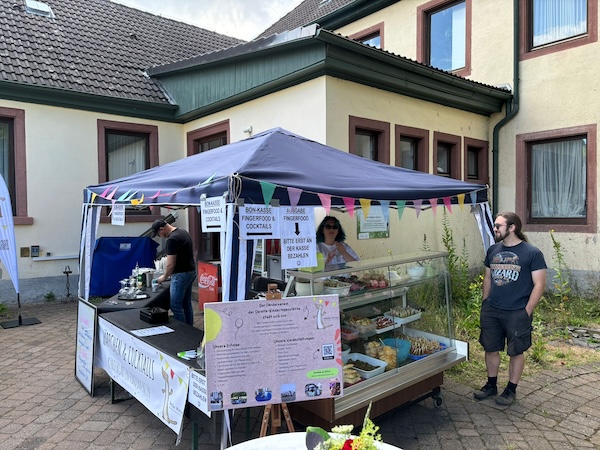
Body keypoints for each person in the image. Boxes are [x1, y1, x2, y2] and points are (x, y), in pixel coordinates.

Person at [474, 212, 546, 406]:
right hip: (492, 309)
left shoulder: (532, 253)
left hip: (517, 311)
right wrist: (485, 303)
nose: (495, 229)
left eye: (498, 226)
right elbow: (488, 278)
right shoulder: (493, 250)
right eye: (495, 226)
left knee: (515, 351)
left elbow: (539, 285)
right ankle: (491, 385)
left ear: (512, 227)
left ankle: (511, 390)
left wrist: (527, 311)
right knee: (490, 348)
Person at [152, 219, 197, 326]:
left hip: (180, 275)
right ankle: (190, 330)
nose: (160, 236)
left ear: (162, 229)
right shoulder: (183, 232)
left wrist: (163, 277)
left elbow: (170, 264)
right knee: (186, 304)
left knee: (176, 306)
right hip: (191, 271)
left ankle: (181, 333)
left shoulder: (172, 239)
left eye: (158, 234)